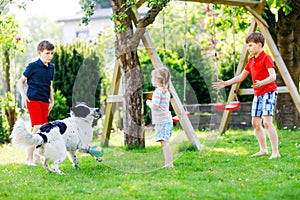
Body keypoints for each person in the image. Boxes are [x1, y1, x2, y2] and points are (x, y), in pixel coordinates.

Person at [213, 32, 280, 159]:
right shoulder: (251, 61)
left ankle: (275, 152)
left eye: (250, 45)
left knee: (266, 122)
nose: (248, 48)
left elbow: (273, 76)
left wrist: (261, 83)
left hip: (269, 92)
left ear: (259, 45)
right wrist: (225, 83)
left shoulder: (266, 58)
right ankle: (263, 150)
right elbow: (241, 77)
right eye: (247, 46)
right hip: (258, 94)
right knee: (255, 123)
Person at [17, 40, 55, 166]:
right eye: (47, 53)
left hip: (45, 101)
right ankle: (29, 158)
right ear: (40, 53)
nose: (50, 56)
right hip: (33, 100)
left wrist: (52, 100)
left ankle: (38, 157)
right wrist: (23, 96)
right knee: (38, 127)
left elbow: (50, 85)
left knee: (43, 129)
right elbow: (20, 82)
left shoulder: (51, 67)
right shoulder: (32, 66)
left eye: (52, 53)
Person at [146, 66, 174, 168]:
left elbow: (155, 106)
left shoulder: (158, 91)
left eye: (154, 78)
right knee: (165, 142)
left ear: (158, 79)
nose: (152, 80)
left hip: (162, 121)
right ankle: (169, 163)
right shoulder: (165, 91)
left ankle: (169, 164)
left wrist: (149, 103)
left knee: (164, 142)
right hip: (165, 120)